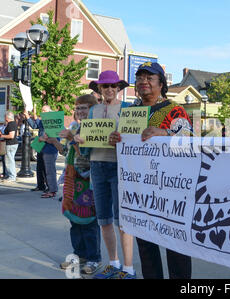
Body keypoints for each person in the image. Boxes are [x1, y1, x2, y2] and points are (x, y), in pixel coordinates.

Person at [109, 62, 193, 279]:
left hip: (170, 189)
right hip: (140, 188)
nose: (143, 82)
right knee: (145, 245)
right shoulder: (132, 112)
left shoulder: (175, 109)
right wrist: (116, 140)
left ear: (161, 84)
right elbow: (126, 144)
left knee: (175, 246)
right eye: (140, 78)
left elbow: (190, 139)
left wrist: (164, 134)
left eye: (150, 78)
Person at [74, 70, 136, 279]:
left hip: (119, 166)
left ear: (118, 89)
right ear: (99, 89)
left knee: (122, 220)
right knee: (103, 219)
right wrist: (81, 141)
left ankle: (128, 268)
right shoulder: (93, 111)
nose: (109, 89)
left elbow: (134, 138)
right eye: (105, 86)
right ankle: (114, 263)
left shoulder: (128, 108)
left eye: (113, 86)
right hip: (97, 166)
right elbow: (87, 142)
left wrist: (121, 138)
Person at [49, 94, 102, 275]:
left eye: (84, 108)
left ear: (93, 109)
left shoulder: (95, 128)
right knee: (75, 221)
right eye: (78, 108)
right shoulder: (74, 126)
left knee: (90, 222)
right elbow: (65, 151)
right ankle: (79, 255)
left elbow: (86, 156)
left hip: (88, 181)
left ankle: (94, 258)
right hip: (72, 180)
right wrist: (53, 141)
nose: (79, 111)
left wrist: (74, 139)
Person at [24, 106, 51, 193]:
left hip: (47, 146)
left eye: (44, 110)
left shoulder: (50, 120)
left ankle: (49, 186)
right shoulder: (43, 120)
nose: (42, 112)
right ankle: (40, 185)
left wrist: (32, 116)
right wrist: (28, 117)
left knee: (46, 167)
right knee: (39, 167)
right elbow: (35, 125)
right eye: (42, 110)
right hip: (40, 144)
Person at [0, 111, 19, 182]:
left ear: (7, 117)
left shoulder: (11, 124)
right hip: (13, 144)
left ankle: (12, 177)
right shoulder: (14, 123)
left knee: (9, 161)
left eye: (5, 116)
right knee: (11, 160)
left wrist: (2, 135)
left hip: (10, 144)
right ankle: (10, 175)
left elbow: (11, 136)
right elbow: (16, 134)